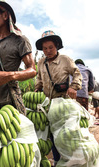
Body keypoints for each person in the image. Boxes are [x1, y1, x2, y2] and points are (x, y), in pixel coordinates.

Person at [35, 30, 82, 166]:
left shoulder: (65, 60)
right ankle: (56, 160)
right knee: (51, 135)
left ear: (56, 46)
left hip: (63, 103)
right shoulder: (41, 62)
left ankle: (70, 160)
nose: (48, 51)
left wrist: (74, 86)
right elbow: (39, 78)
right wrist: (37, 89)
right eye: (45, 48)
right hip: (47, 104)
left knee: (65, 133)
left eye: (51, 47)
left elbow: (77, 73)